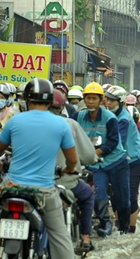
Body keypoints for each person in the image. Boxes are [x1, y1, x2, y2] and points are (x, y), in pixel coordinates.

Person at [0, 78, 77, 259]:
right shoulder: (61, 124)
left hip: (12, 186)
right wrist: (68, 169)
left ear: (27, 99)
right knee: (59, 235)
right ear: (51, 100)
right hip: (44, 191)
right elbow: (73, 160)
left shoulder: (14, 121)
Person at [69, 82, 129, 236]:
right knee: (98, 193)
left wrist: (93, 153)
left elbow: (113, 141)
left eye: (94, 98)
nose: (90, 102)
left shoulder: (110, 118)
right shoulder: (77, 117)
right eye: (88, 98)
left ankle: (125, 227)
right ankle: (105, 223)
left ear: (101, 100)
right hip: (96, 166)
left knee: (122, 198)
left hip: (116, 161)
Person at [48, 89, 96, 252]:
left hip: (26, 181)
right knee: (88, 194)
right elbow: (89, 155)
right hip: (63, 183)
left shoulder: (20, 121)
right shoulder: (69, 124)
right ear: (62, 107)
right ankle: (86, 238)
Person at [105, 86, 140, 234]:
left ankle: (130, 229)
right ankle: (119, 225)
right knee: (115, 194)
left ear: (120, 102)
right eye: (107, 99)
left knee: (130, 194)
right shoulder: (106, 115)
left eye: (112, 100)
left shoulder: (123, 119)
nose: (108, 103)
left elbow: (118, 142)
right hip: (116, 158)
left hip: (134, 158)